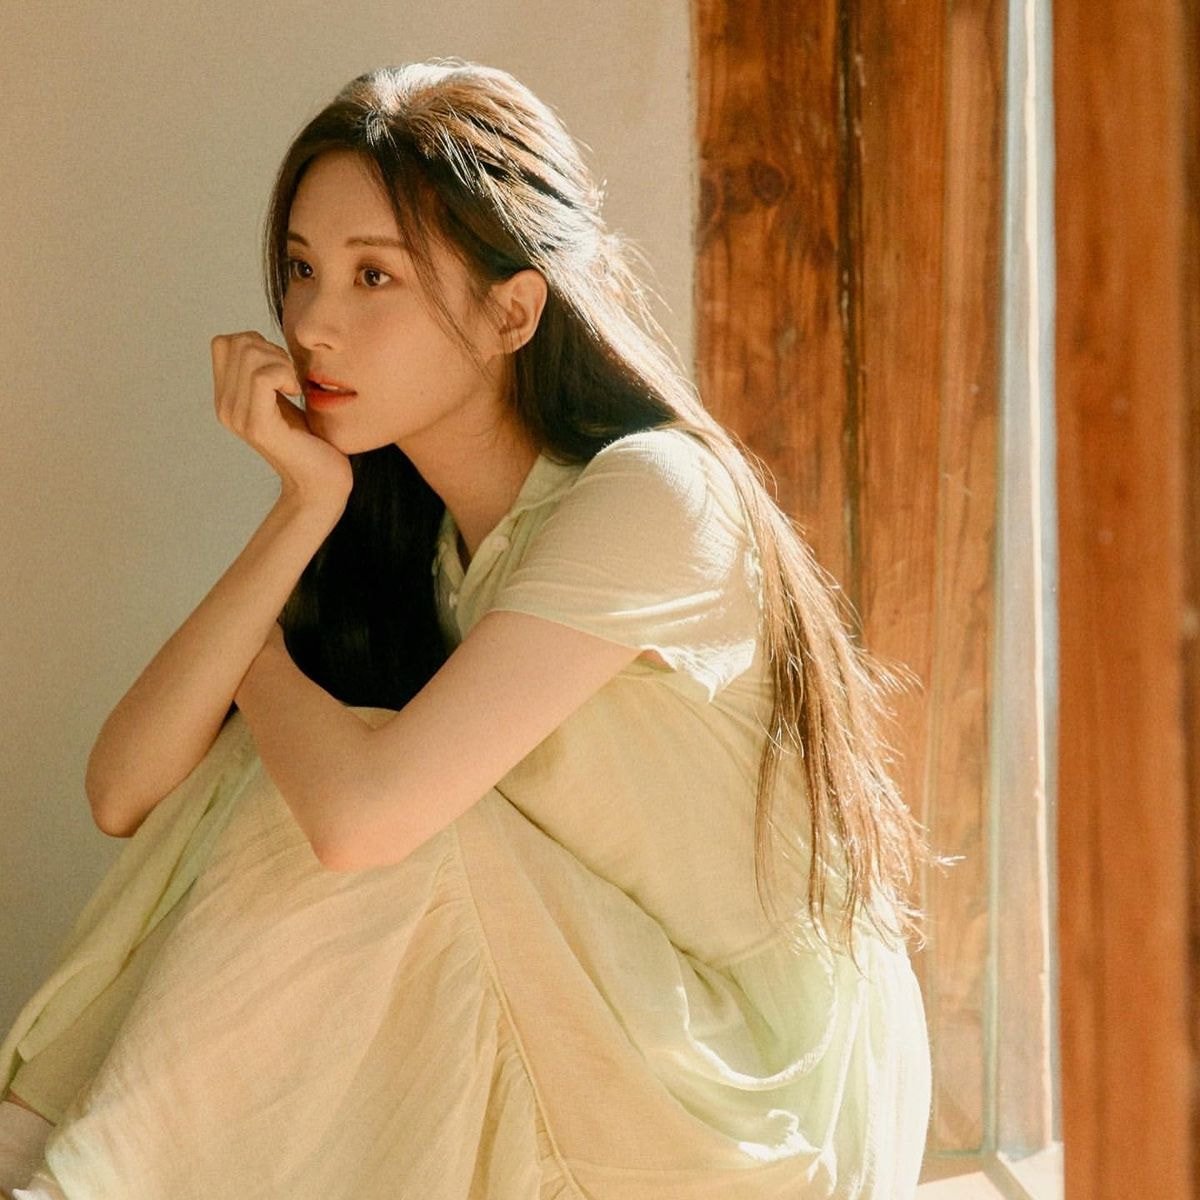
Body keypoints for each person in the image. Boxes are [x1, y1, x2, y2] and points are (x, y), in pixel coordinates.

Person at [0, 59, 936, 1199]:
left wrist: (258, 658)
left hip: (761, 1091)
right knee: (287, 765)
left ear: (511, 311)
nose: (312, 324)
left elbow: (361, 821)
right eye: (300, 268)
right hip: (594, 1009)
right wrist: (300, 513)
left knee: (361, 797)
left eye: (374, 276)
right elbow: (124, 792)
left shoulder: (656, 496)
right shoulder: (420, 545)